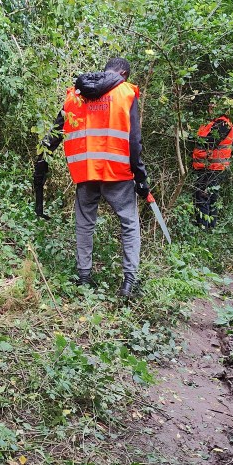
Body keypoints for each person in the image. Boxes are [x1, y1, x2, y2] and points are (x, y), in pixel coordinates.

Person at [34, 56, 150, 298]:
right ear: (123, 74)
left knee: (85, 223)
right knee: (129, 224)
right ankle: (129, 282)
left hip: (86, 171)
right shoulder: (126, 93)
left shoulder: (76, 95)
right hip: (117, 172)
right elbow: (134, 141)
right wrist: (140, 177)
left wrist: (41, 164)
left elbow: (54, 134)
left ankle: (84, 277)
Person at [191, 103, 233, 230]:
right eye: (210, 106)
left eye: (213, 106)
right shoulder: (212, 123)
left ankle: (203, 228)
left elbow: (210, 141)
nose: (210, 108)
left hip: (212, 167)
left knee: (203, 196)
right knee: (209, 196)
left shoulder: (223, 124)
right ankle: (209, 227)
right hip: (206, 166)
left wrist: (193, 138)